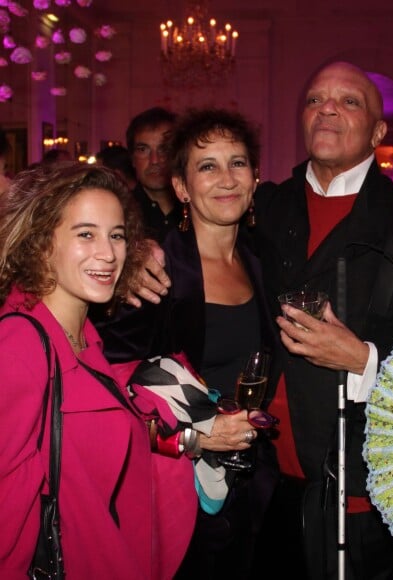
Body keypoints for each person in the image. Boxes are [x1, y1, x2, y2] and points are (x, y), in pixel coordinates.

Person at [249, 61, 393, 579]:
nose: (327, 109)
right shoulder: (263, 207)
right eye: (316, 99)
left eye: (349, 102)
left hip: (358, 492)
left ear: (378, 130)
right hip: (261, 482)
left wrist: (364, 359)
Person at [94, 108, 280, 579]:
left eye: (237, 163)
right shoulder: (156, 273)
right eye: (207, 166)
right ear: (181, 187)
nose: (226, 178)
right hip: (176, 492)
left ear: (256, 178)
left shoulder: (265, 265)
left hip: (251, 488)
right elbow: (109, 393)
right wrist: (195, 437)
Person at [0, 163, 198, 578]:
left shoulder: (85, 339)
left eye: (117, 235)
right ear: (40, 244)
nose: (108, 254)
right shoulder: (20, 346)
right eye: (85, 234)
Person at [126, 106, 180, 242]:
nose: (155, 160)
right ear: (132, 158)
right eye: (143, 149)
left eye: (164, 149)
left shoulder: (199, 209)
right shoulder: (121, 212)